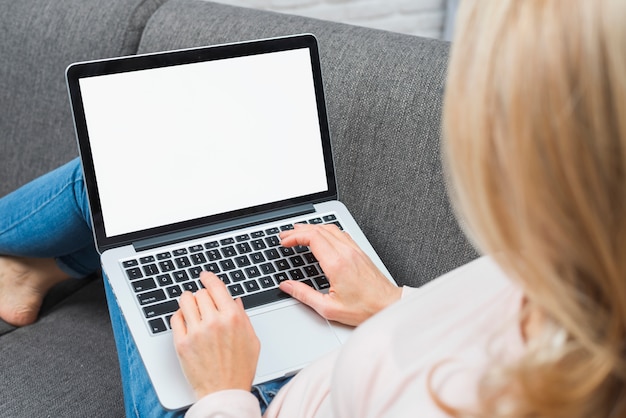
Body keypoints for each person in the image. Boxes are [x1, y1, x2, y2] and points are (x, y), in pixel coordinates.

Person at [1, 1, 625, 416]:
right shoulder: (570, 270)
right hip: (313, 356)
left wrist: (223, 391)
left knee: (112, 184)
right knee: (140, 192)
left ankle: (32, 267)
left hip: (241, 400)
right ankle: (38, 273)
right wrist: (392, 304)